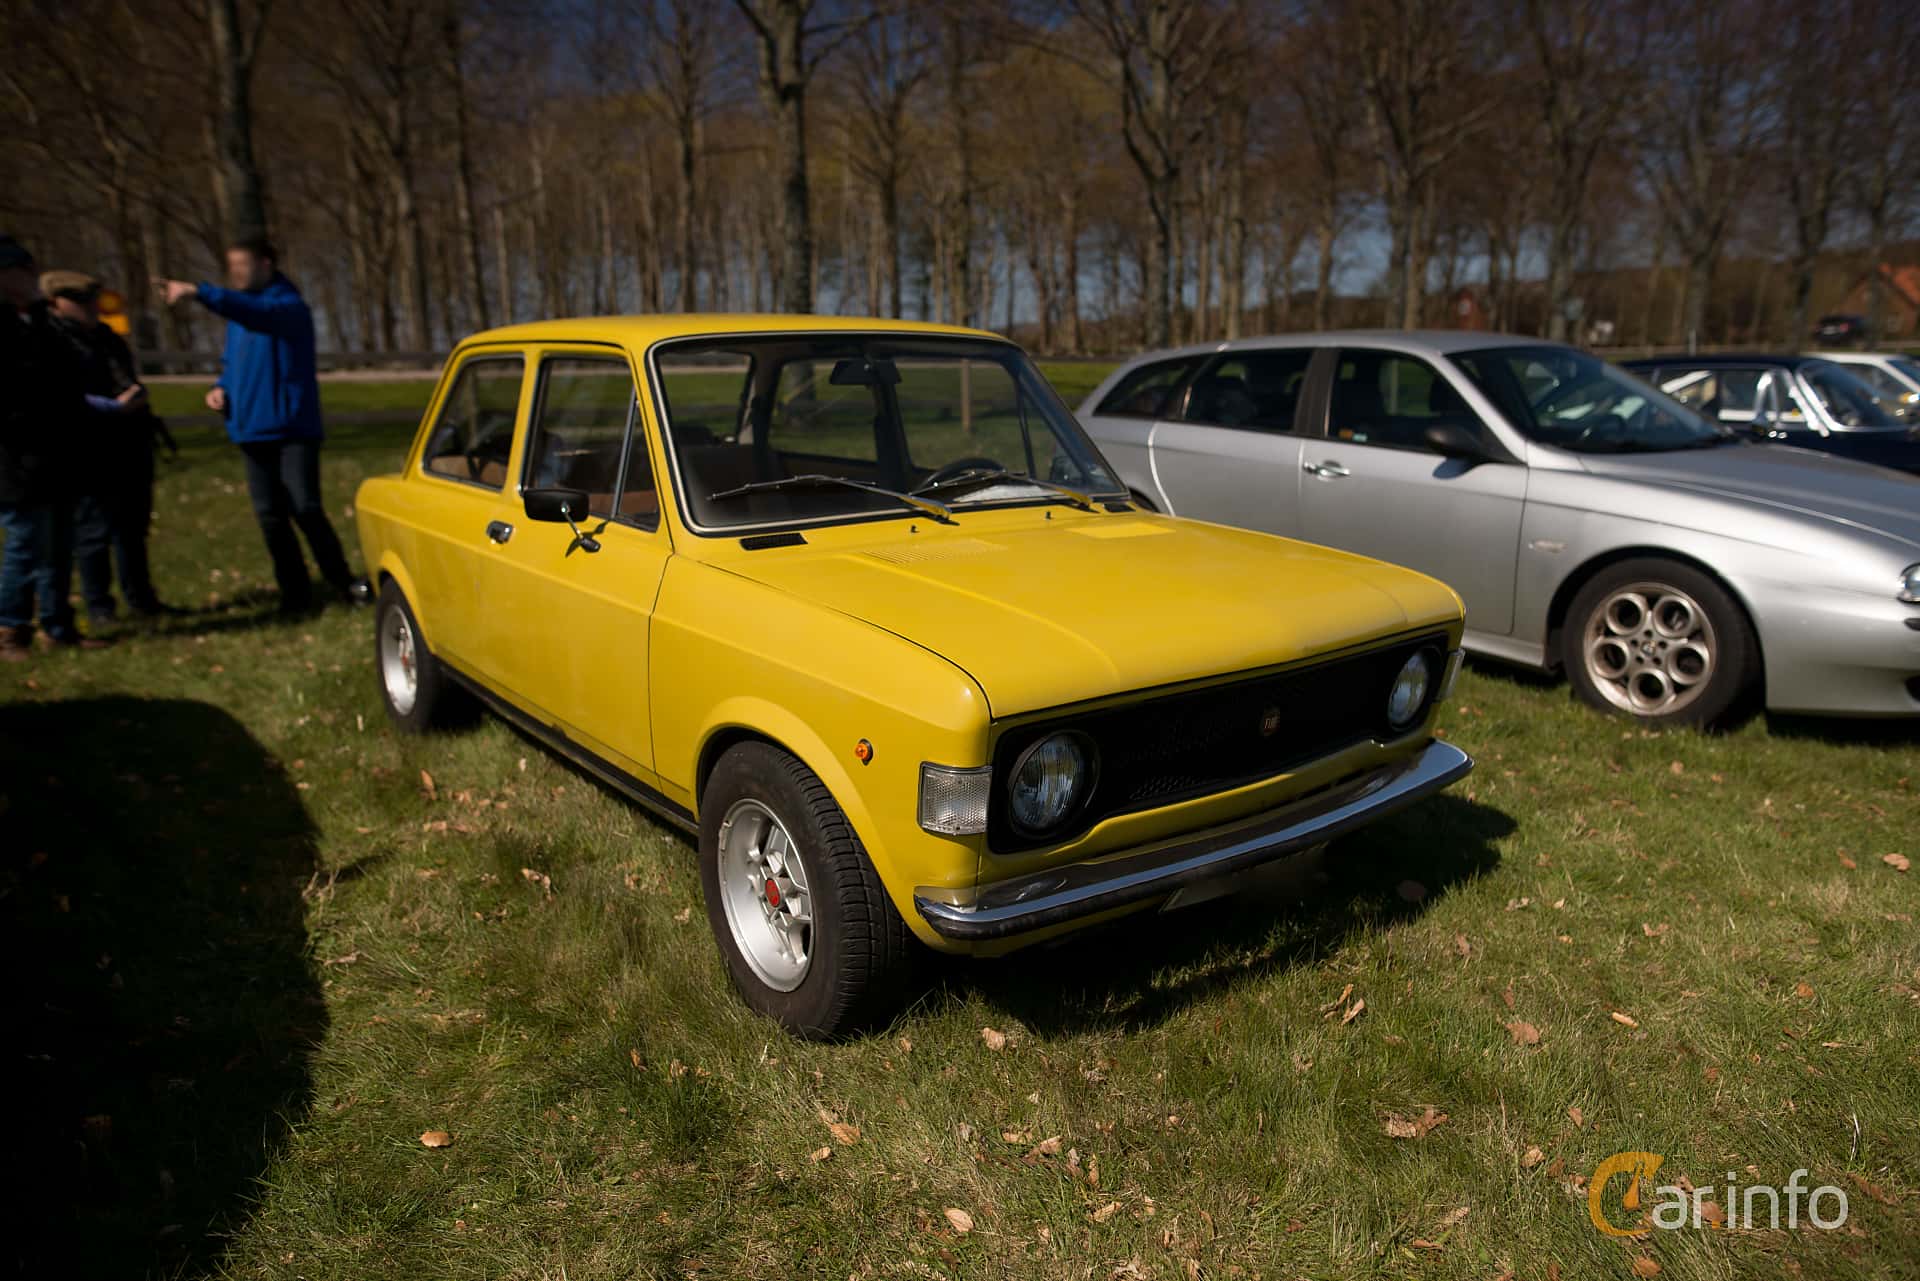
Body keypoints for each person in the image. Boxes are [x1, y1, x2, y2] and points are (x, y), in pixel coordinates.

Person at [156, 238, 368, 614]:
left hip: (291, 429)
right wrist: (220, 388)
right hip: (251, 429)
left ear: (266, 264)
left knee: (305, 508)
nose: (236, 273)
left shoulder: (286, 307)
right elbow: (232, 363)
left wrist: (197, 291)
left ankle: (343, 582)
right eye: (232, 266)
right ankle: (296, 594)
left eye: (243, 265)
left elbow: (255, 312)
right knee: (270, 517)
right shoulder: (242, 319)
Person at [0, 235, 122, 659]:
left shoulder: (38, 322)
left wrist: (37, 308)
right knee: (25, 545)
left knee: (59, 546)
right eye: (23, 270)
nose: (33, 277)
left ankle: (57, 626)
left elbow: (69, 370)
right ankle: (11, 630)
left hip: (57, 453)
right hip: (17, 457)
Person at [41, 269, 177, 620]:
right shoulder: (51, 340)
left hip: (129, 443)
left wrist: (134, 398)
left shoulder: (106, 336)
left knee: (133, 529)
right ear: (57, 302)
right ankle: (100, 606)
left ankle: (142, 600)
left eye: (93, 300)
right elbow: (57, 398)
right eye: (81, 301)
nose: (91, 308)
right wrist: (113, 407)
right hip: (87, 447)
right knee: (93, 531)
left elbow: (125, 377)